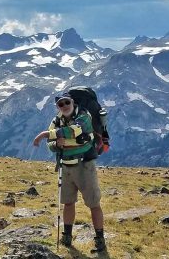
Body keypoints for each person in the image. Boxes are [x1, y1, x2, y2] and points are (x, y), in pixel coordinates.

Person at [33, 92, 106, 253]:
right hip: (65, 166)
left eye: (67, 102)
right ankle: (67, 235)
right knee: (68, 202)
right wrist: (57, 144)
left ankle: (100, 239)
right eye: (61, 104)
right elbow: (51, 146)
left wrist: (47, 135)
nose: (64, 106)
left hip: (84, 165)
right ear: (57, 107)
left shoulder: (84, 115)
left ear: (72, 102)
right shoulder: (56, 120)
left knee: (93, 203)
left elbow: (75, 130)